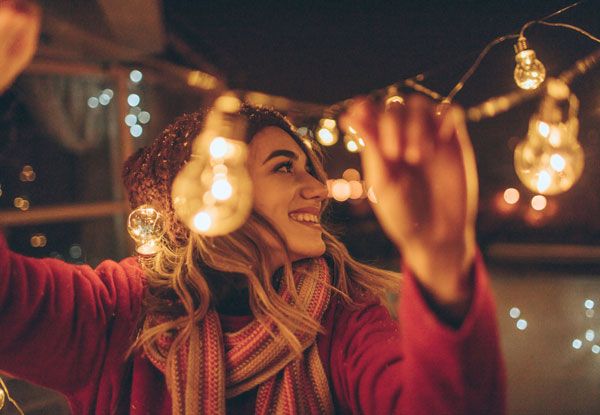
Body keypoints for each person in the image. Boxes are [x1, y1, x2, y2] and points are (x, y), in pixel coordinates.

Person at [0, 2, 505, 414]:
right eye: (286, 167)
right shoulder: (116, 313)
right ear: (205, 186)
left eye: (311, 167)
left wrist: (442, 255)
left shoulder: (344, 317)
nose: (320, 189)